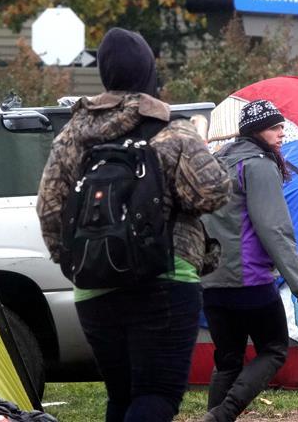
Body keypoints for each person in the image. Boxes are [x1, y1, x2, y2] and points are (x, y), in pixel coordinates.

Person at [37, 27, 231, 422]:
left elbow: (48, 208)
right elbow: (213, 193)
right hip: (165, 281)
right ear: (148, 72)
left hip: (94, 288)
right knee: (156, 394)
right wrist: (203, 147)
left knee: (121, 396)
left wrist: (75, 261)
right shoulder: (172, 130)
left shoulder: (73, 134)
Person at [200, 99, 298, 422]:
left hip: (211, 280)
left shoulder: (217, 162)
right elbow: (275, 229)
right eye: (273, 127)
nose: (281, 133)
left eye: (281, 126)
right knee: (275, 347)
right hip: (249, 280)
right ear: (256, 132)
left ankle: (215, 417)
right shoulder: (259, 165)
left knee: (228, 360)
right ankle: (225, 413)